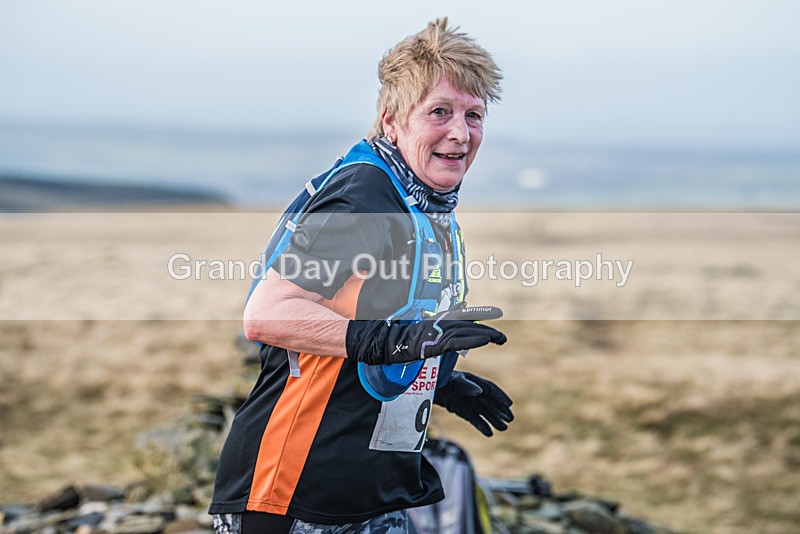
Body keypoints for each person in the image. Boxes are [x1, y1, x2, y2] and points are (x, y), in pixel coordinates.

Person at [210, 18, 513, 534]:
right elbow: (267, 314)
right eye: (439, 112)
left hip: (369, 493)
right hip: (293, 494)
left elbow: (376, 320)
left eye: (474, 115)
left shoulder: (422, 203)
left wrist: (440, 381)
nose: (460, 133)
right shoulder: (364, 197)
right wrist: (401, 343)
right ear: (392, 120)